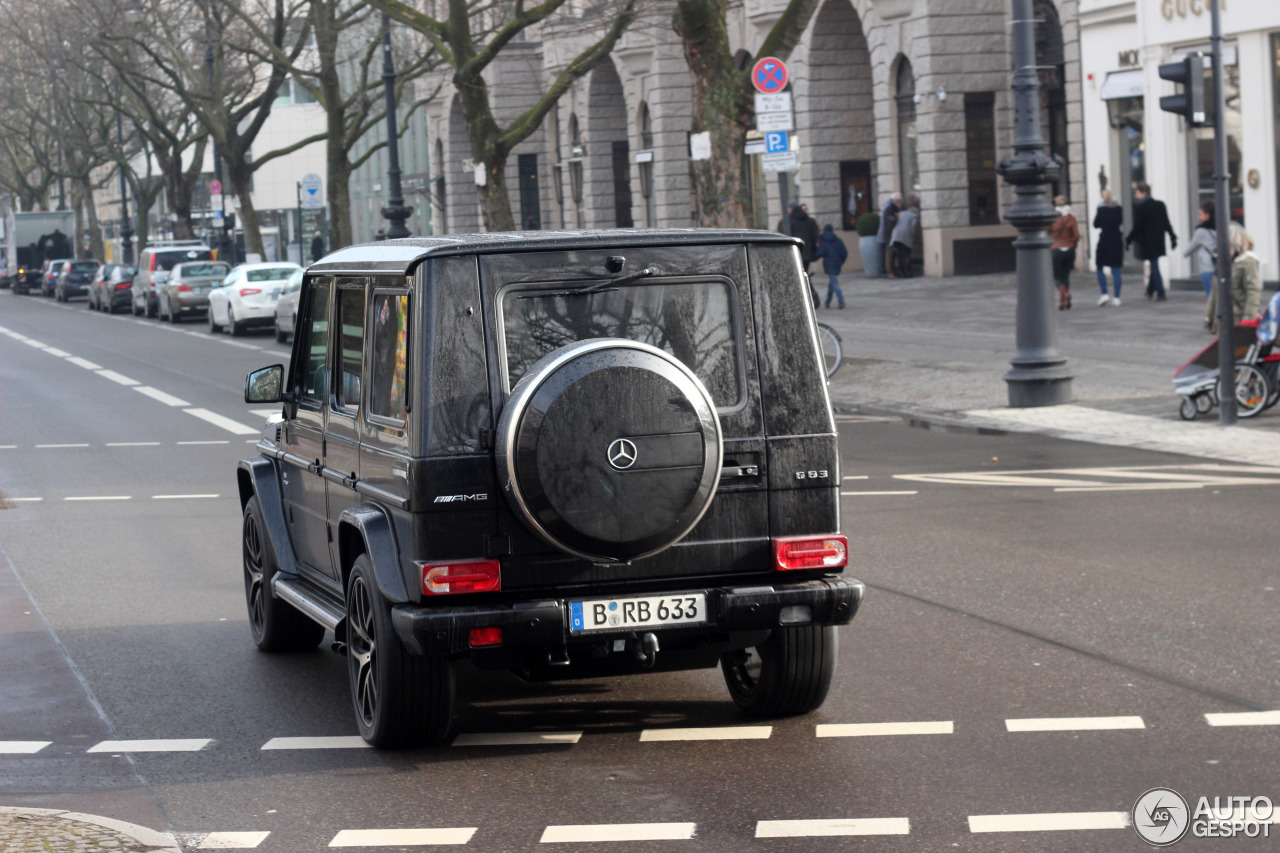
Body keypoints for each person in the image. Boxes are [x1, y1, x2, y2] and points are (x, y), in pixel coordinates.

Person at [1125, 182, 1176, 301]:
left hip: (1148, 242)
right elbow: (1166, 223)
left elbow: (1137, 227)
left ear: (1143, 193)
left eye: (1137, 193)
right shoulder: (1160, 205)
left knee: (1154, 266)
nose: (1135, 195)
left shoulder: (1141, 207)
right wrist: (1172, 237)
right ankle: (1150, 290)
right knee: (1154, 264)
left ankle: (1161, 293)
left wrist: (1128, 240)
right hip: (1158, 240)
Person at [1092, 189, 1124, 306]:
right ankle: (1116, 297)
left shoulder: (1101, 209)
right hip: (1116, 239)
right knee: (1116, 269)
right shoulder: (1119, 209)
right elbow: (1120, 221)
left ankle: (1104, 293)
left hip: (1105, 239)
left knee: (1099, 266)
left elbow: (1095, 224)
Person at [1049, 195, 1080, 310]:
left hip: (1057, 249)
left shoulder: (1052, 218)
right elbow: (1076, 235)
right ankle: (1063, 302)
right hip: (1070, 249)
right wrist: (1073, 244)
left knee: (1056, 277)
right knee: (1066, 276)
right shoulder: (1071, 218)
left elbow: (1048, 231)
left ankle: (1065, 294)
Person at [813, 223, 849, 309]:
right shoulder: (838, 240)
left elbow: (820, 253)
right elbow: (844, 253)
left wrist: (812, 257)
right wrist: (841, 261)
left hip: (829, 264)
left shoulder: (823, 241)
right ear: (832, 230)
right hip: (837, 264)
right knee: (832, 283)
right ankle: (827, 302)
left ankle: (841, 301)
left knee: (834, 283)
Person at [889, 198, 918, 279]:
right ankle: (908, 273)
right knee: (906, 255)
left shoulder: (900, 213)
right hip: (906, 237)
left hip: (895, 236)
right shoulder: (914, 216)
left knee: (899, 255)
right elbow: (913, 227)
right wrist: (914, 237)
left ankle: (902, 273)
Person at [877, 193, 902, 278]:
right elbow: (890, 222)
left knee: (887, 254)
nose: (901, 203)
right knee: (889, 254)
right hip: (888, 234)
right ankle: (890, 273)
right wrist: (897, 216)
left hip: (884, 234)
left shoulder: (887, 206)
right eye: (899, 201)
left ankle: (888, 272)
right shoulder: (891, 208)